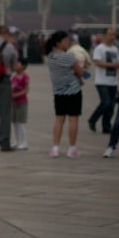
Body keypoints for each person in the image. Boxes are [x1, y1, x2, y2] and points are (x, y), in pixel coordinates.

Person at [45, 30, 84, 158]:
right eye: (65, 40)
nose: (68, 42)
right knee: (73, 119)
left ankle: (55, 148)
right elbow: (79, 71)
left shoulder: (50, 57)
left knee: (59, 119)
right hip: (73, 91)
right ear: (58, 43)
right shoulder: (69, 56)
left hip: (58, 92)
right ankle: (71, 149)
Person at [89, 28, 119, 134]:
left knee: (111, 106)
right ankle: (93, 119)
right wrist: (112, 65)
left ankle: (106, 126)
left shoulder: (115, 49)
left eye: (114, 35)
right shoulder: (99, 48)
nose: (112, 37)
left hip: (113, 81)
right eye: (110, 35)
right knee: (106, 103)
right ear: (104, 36)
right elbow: (97, 62)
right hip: (102, 81)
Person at [11, 57, 30, 150]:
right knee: (14, 123)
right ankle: (18, 141)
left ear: (23, 66)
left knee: (20, 123)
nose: (15, 65)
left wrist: (15, 95)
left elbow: (26, 90)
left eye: (17, 64)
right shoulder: (13, 76)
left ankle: (24, 142)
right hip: (13, 103)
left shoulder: (25, 77)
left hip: (22, 102)